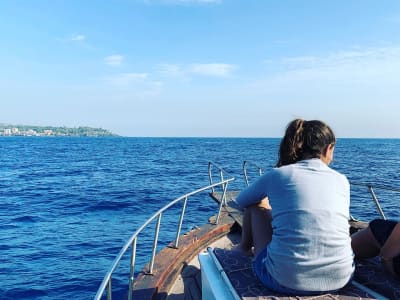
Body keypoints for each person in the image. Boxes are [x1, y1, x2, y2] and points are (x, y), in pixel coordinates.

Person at [235, 119, 354, 295]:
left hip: (284, 280)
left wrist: (268, 207)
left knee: (255, 205)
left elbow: (241, 201)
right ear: (328, 148)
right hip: (341, 279)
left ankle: (244, 250)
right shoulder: (342, 180)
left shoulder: (278, 175)